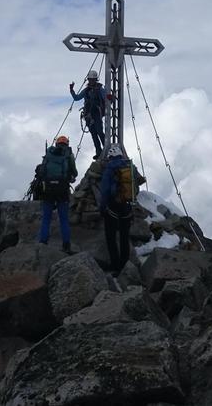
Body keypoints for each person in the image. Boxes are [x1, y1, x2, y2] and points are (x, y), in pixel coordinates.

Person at [98, 144, 138, 276]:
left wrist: (102, 207)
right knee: (124, 237)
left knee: (111, 237)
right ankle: (125, 264)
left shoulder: (110, 168)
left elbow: (104, 191)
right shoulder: (129, 167)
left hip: (113, 207)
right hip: (126, 206)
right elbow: (135, 187)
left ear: (110, 156)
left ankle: (116, 266)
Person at [36, 135, 77, 253]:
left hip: (48, 189)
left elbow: (42, 170)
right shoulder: (68, 155)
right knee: (63, 219)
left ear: (57, 143)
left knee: (46, 218)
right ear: (67, 144)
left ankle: (43, 242)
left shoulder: (49, 154)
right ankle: (66, 245)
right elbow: (74, 172)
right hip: (62, 189)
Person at [70, 69, 112, 158]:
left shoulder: (100, 89)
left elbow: (106, 98)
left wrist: (109, 98)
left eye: (93, 79)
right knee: (94, 133)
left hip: (96, 113)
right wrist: (72, 90)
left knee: (99, 131)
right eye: (90, 79)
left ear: (95, 80)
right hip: (89, 115)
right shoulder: (86, 90)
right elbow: (77, 98)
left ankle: (107, 150)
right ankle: (99, 151)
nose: (91, 81)